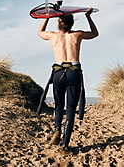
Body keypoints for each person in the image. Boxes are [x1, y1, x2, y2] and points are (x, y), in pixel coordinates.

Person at [36, 8, 98, 152]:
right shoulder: (77, 35)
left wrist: (48, 17)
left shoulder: (53, 36)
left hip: (58, 73)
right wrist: (88, 17)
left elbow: (40, 33)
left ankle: (57, 129)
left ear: (59, 24)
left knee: (58, 105)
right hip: (73, 72)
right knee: (70, 108)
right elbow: (95, 33)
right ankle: (65, 143)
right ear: (71, 24)